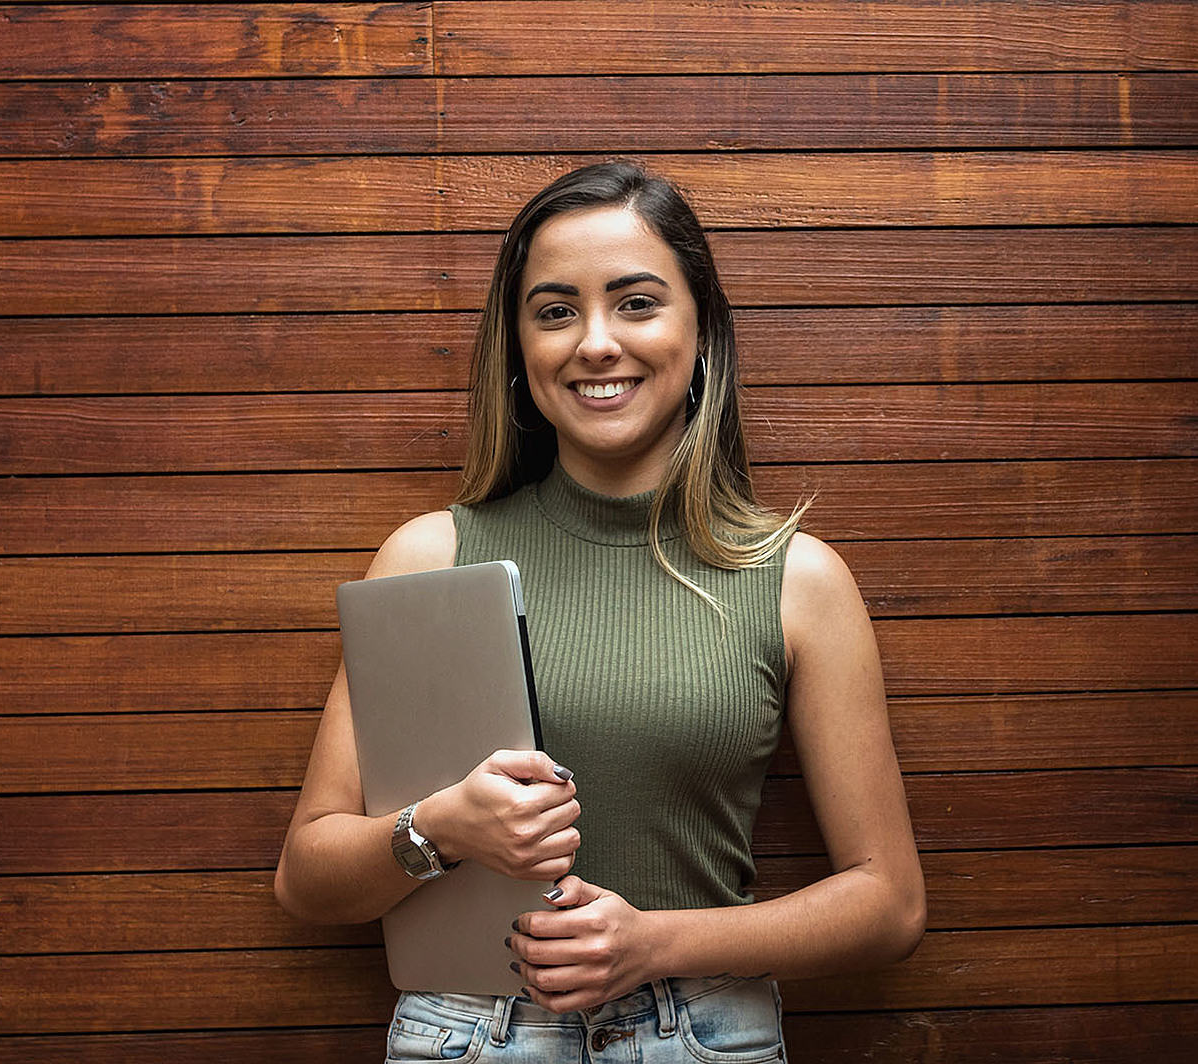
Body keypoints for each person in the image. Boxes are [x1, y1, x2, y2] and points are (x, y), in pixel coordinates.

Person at [274, 161, 925, 1061]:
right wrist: (443, 827)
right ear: (519, 348)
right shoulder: (431, 558)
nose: (594, 343)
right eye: (554, 311)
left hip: (698, 1033)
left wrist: (652, 943)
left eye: (636, 303)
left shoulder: (797, 579)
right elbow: (306, 881)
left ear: (701, 332)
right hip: (470, 1032)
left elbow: (888, 903)